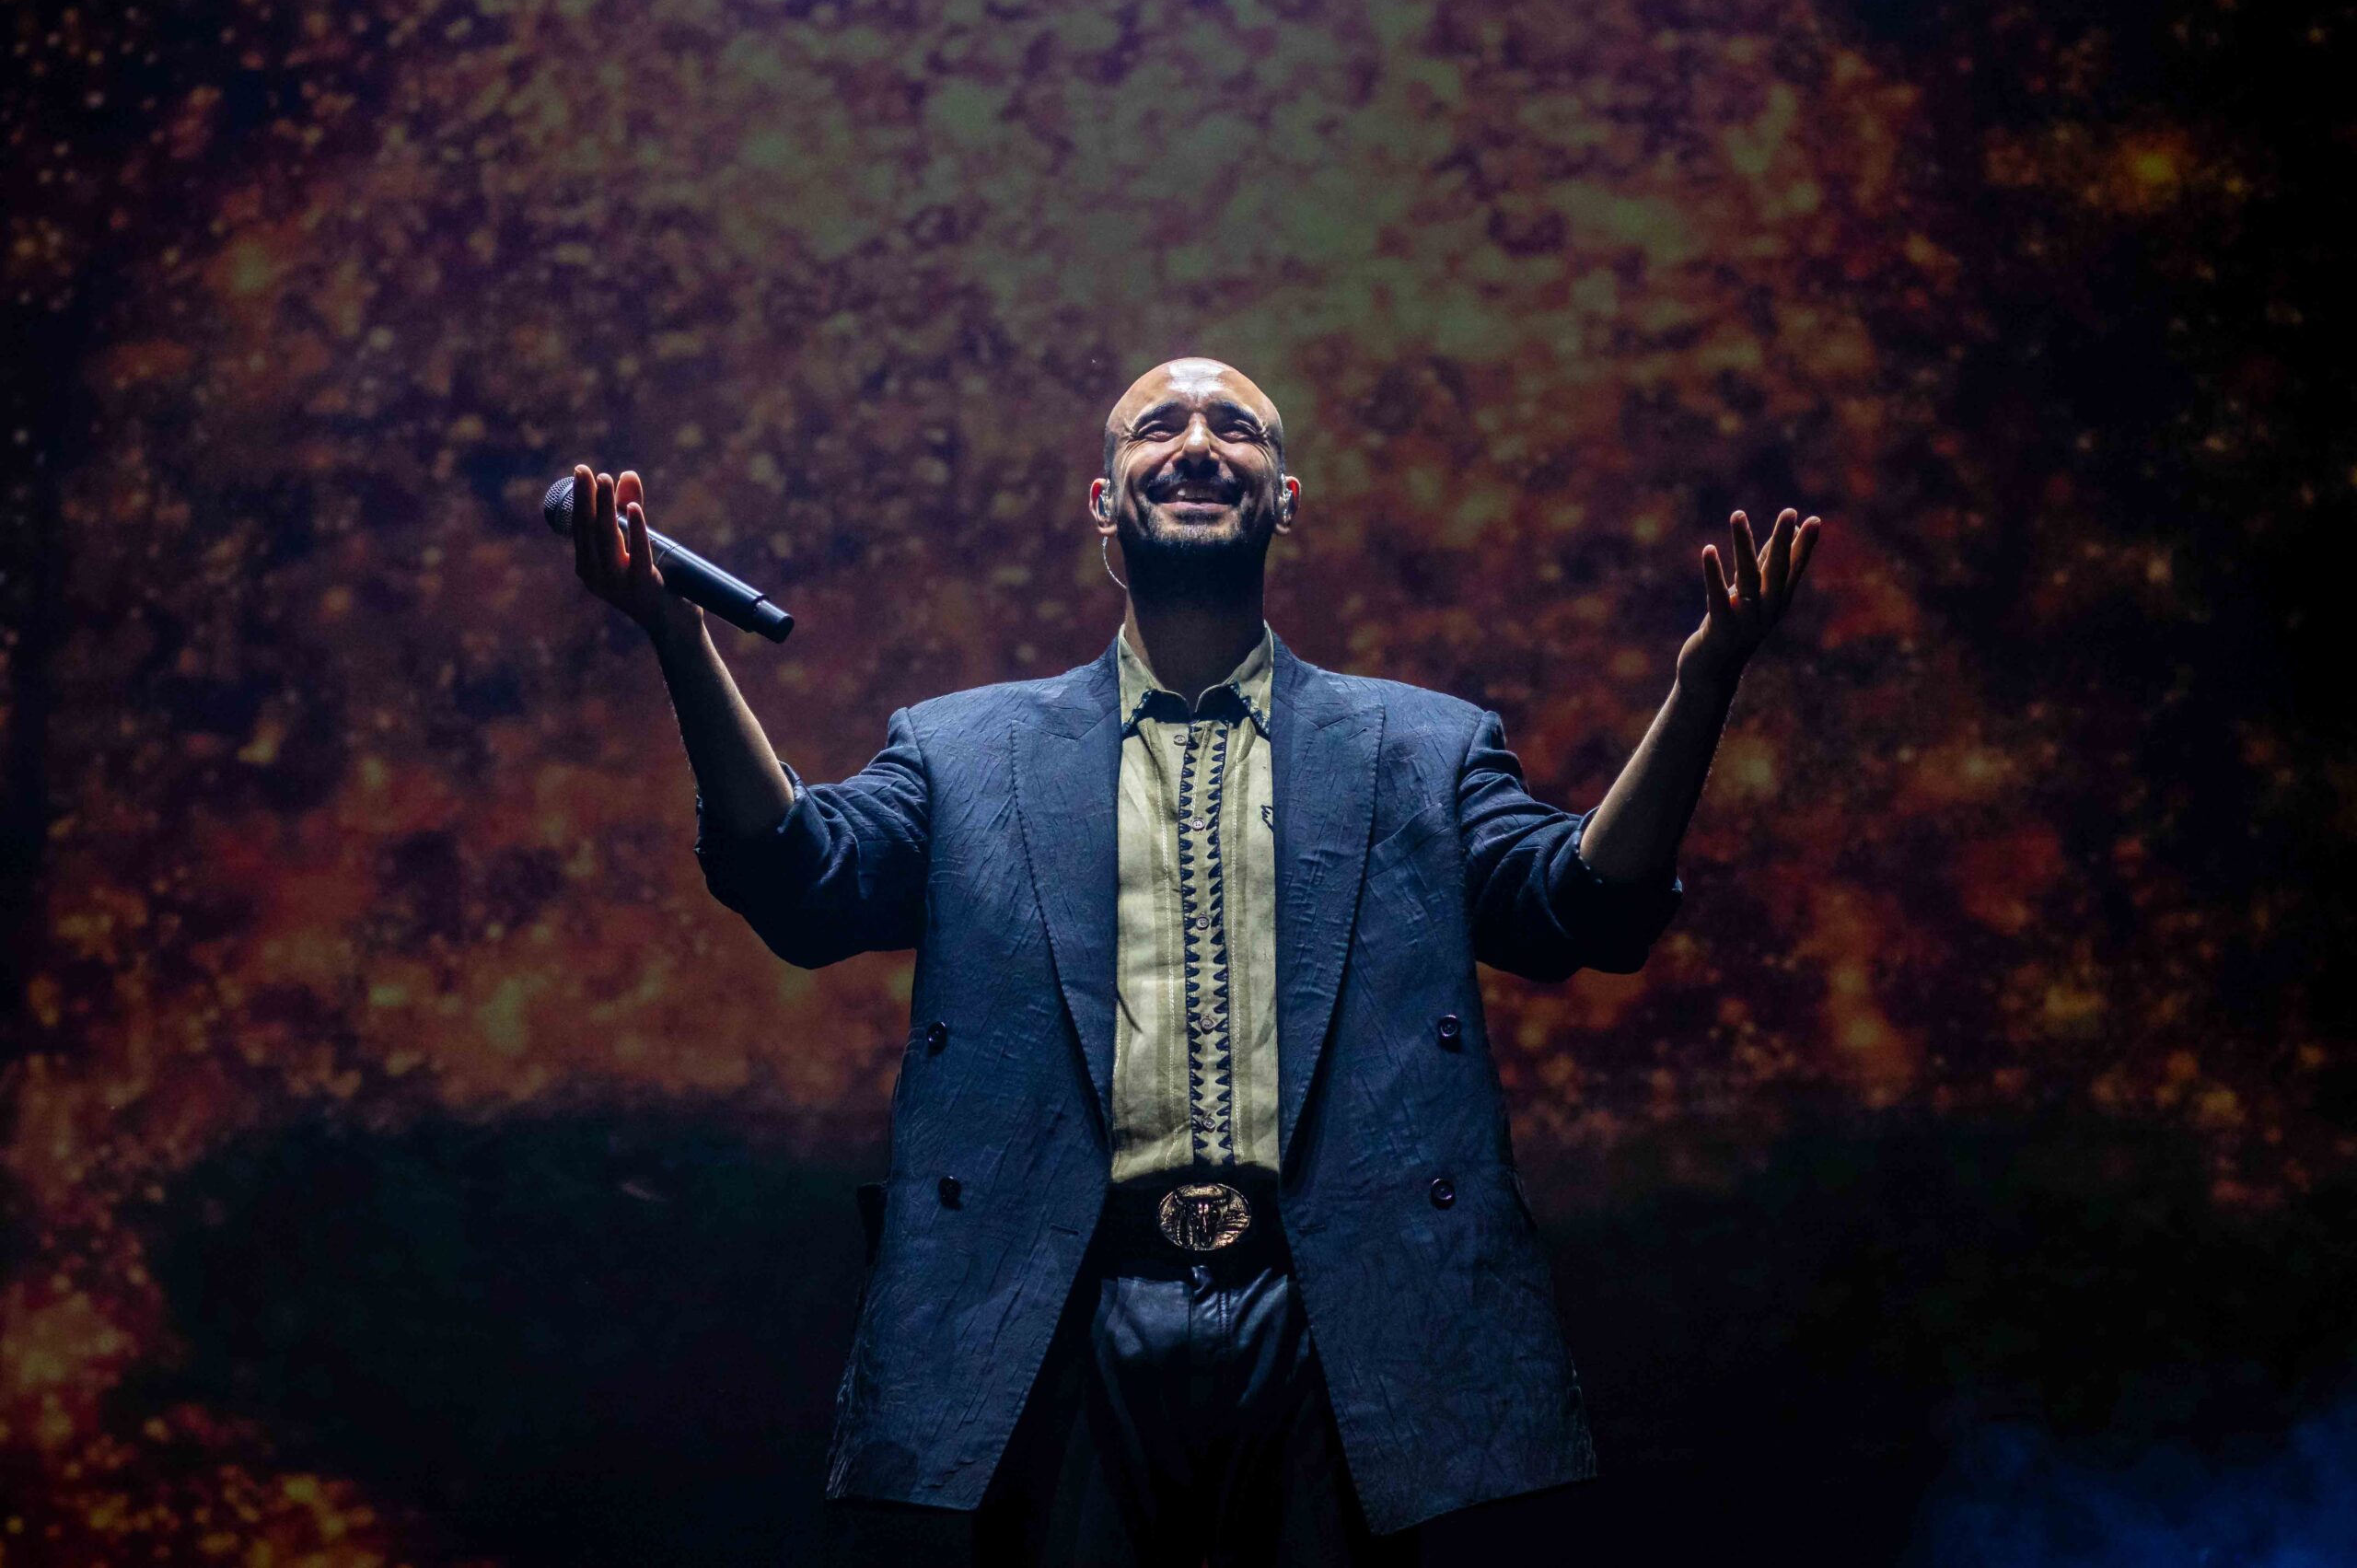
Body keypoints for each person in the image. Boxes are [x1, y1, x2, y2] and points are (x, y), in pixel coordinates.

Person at [566, 356, 1821, 1564]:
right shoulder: (965, 752)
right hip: (1061, 1307)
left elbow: (1583, 910)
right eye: (1159, 426)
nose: (1201, 443)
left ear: (1286, 500)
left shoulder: (1422, 748)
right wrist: (682, 641)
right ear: (1102, 505)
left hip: (1345, 1311)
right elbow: (803, 881)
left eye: (1239, 427)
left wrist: (1702, 687)